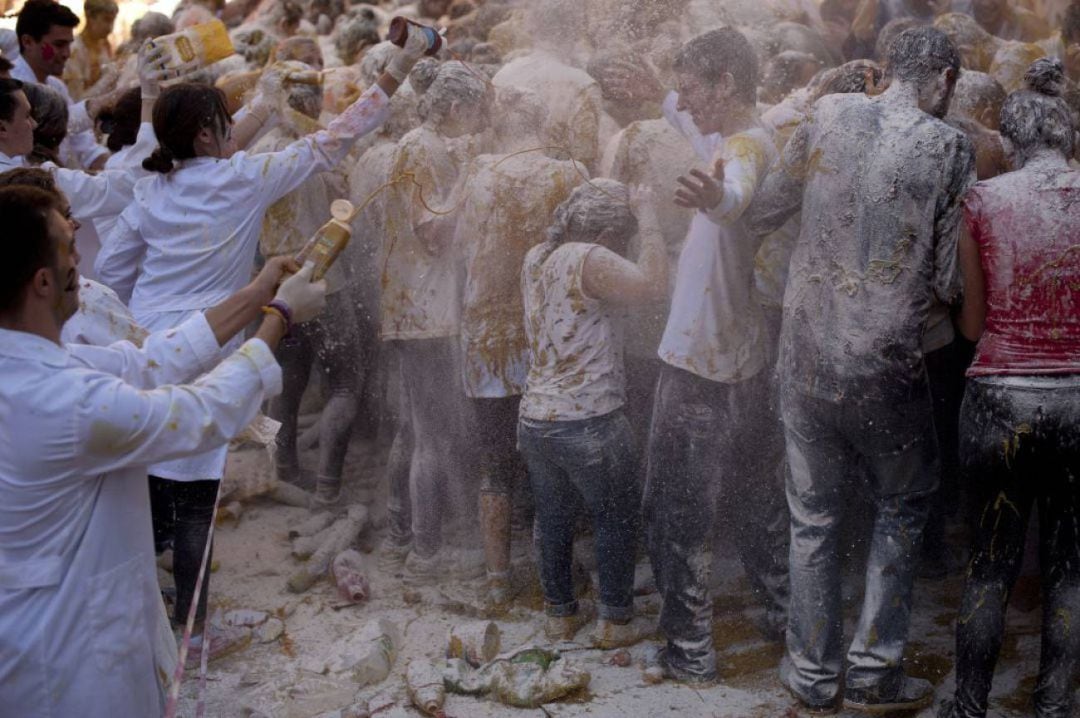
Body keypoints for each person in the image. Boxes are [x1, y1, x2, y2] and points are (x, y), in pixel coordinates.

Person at [94, 26, 429, 642]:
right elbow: (337, 138)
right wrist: (399, 66)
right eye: (224, 122)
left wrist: (145, 314)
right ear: (206, 134)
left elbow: (110, 272)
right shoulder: (245, 177)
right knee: (196, 487)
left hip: (145, 342)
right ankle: (192, 629)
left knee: (148, 476)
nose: (230, 133)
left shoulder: (150, 192)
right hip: (208, 340)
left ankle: (148, 607)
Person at [0, 183, 327, 717]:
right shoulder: (64, 400)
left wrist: (256, 293)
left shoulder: (37, 363)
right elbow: (199, 415)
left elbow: (149, 361)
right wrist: (281, 318)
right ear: (42, 281)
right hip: (68, 661)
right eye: (67, 246)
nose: (79, 255)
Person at [748, 27, 976, 712]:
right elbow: (943, 277)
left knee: (813, 518)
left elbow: (763, 207)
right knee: (902, 507)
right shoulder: (948, 145)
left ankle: (811, 678)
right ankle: (874, 673)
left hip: (805, 353)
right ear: (940, 79)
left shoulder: (828, 114)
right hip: (883, 359)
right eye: (951, 85)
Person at [641, 28, 790, 686]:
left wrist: (715, 200)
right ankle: (788, 623)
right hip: (739, 359)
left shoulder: (743, 147)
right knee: (757, 505)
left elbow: (735, 195)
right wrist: (658, 79)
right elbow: (675, 105)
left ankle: (689, 652)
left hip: (703, 365)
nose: (684, 99)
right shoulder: (726, 132)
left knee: (676, 510)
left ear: (727, 84)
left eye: (696, 86)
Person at [939, 58, 1080, 718]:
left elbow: (970, 323)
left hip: (998, 399)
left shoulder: (982, 201)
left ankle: (968, 707)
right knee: (1070, 569)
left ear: (1012, 144)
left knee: (990, 566)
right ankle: (1054, 708)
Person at [519, 179, 667, 646]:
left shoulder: (537, 255)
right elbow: (655, 285)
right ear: (606, 236)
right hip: (589, 417)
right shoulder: (590, 257)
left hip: (537, 417)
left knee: (555, 517)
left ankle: (560, 614)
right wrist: (649, 218)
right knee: (617, 516)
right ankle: (614, 622)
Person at [453, 85, 585, 607]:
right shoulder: (569, 173)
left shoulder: (480, 172)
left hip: (486, 335)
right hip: (546, 334)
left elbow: (458, 245)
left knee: (494, 460)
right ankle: (558, 572)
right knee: (552, 456)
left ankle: (497, 580)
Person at [251, 63, 358, 507]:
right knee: (345, 383)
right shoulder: (315, 151)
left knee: (288, 383)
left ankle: (285, 470)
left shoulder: (257, 154)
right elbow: (347, 206)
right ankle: (329, 486)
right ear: (308, 102)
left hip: (278, 284)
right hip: (325, 285)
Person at [13, 0, 108, 170]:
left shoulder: (57, 87)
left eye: (69, 44)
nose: (67, 53)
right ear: (28, 42)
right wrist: (106, 101)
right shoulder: (11, 88)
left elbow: (85, 146)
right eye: (59, 44)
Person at [63, 0, 119, 101]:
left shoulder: (104, 47)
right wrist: (108, 78)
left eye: (113, 21)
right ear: (90, 18)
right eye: (106, 20)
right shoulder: (74, 50)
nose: (110, 28)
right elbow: (76, 99)